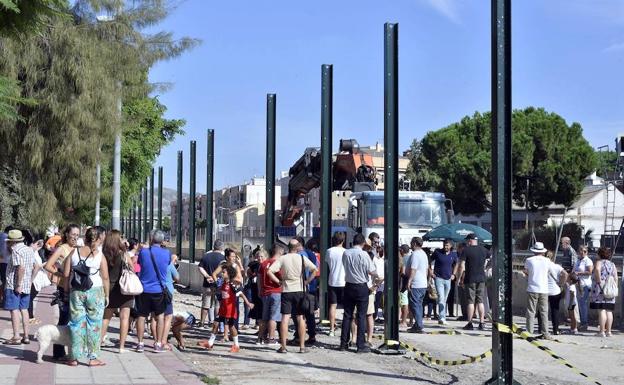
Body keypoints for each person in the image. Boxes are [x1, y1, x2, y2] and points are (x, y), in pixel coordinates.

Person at [63, 226, 109, 366]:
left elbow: (66, 274)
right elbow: (105, 277)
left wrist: (66, 291)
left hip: (76, 291)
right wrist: (107, 295)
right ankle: (93, 358)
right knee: (94, 324)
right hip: (95, 291)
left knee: (76, 323)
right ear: (99, 238)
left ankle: (73, 357)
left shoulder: (74, 252)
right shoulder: (100, 255)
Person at [267, 239, 318, 354]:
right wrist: (307, 282)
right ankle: (302, 346)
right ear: (298, 247)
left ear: (288, 247)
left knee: (285, 318)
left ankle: (283, 346)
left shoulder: (282, 258)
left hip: (286, 290)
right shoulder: (301, 258)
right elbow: (315, 270)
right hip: (299, 290)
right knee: (300, 318)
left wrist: (279, 282)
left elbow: (269, 271)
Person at [44, 224, 80, 361]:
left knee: (73, 319)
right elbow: (48, 265)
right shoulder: (62, 248)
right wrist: (59, 274)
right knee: (64, 319)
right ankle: (58, 352)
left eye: (77, 234)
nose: (75, 237)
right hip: (63, 289)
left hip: (76, 289)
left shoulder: (77, 249)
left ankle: (71, 349)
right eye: (73, 234)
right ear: (67, 235)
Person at [339, 234, 378, 353]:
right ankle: (360, 345)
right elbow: (371, 271)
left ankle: (343, 344)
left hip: (349, 285)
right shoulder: (364, 254)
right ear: (362, 243)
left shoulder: (346, 253)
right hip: (361, 287)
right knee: (361, 316)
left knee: (347, 315)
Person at [135, 230, 171, 353]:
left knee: (141, 316)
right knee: (160, 316)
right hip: (158, 290)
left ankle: (140, 343)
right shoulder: (167, 253)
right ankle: (158, 343)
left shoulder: (144, 252)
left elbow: (140, 264)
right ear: (162, 241)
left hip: (144, 289)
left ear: (151, 239)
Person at [101, 230, 134, 353]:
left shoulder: (104, 254)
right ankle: (121, 347)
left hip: (109, 288)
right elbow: (132, 268)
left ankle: (98, 342)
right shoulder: (123, 254)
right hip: (124, 288)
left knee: (106, 317)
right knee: (124, 318)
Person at [199, 265, 243, 352]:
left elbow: (240, 291)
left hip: (229, 310)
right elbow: (219, 292)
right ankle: (210, 343)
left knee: (231, 327)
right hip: (223, 309)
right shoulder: (223, 283)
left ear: (229, 274)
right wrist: (213, 287)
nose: (222, 274)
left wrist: (248, 303)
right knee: (215, 323)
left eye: (224, 272)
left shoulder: (232, 284)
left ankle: (236, 345)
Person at [2, 229, 36, 345]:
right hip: (26, 285)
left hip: (14, 285)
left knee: (14, 310)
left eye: (8, 242)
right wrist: (30, 280)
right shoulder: (29, 250)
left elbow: (20, 267)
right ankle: (26, 336)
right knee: (24, 310)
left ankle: (16, 336)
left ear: (12, 242)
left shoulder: (15, 250)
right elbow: (36, 266)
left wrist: (18, 284)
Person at [456, 233, 489, 330]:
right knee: (480, 301)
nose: (467, 242)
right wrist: (486, 268)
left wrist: (458, 278)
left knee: (470, 301)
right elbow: (491, 259)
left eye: (467, 240)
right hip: (481, 278)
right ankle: (481, 322)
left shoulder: (466, 250)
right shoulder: (484, 250)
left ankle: (470, 323)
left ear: (470, 240)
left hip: (470, 279)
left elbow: (461, 265)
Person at [523, 241, 552, 339]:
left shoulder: (529, 260)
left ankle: (529, 331)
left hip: (532, 288)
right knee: (544, 311)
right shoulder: (547, 261)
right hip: (544, 288)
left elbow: (526, 272)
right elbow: (549, 272)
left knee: (531, 311)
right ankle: (545, 332)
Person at [590, 247, 618, 337]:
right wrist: (614, 287)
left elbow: (597, 269)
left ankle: (602, 331)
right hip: (610, 288)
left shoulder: (599, 262)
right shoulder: (612, 264)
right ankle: (609, 331)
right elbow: (616, 277)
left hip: (600, 288)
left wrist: (598, 281)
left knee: (601, 309)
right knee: (609, 310)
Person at [259, 244, 283, 345]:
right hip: (276, 291)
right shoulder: (278, 264)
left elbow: (259, 280)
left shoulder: (264, 264)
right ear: (280, 252)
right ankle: (271, 338)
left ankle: (260, 338)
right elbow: (282, 277)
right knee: (274, 317)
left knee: (264, 317)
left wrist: (260, 291)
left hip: (265, 292)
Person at [198, 240, 226, 328]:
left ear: (213, 246)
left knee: (205, 304)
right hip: (219, 284)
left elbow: (200, 267)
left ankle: (202, 323)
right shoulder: (223, 258)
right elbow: (224, 272)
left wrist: (207, 276)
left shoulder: (206, 256)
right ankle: (215, 323)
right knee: (217, 305)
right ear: (221, 248)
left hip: (207, 283)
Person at [431, 239, 458, 325]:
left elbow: (457, 264)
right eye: (444, 245)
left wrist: (454, 274)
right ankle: (442, 317)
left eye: (447, 245)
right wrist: (431, 272)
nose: (445, 247)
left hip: (448, 279)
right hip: (438, 278)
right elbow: (429, 261)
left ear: (451, 246)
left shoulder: (453, 254)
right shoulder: (437, 252)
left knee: (444, 299)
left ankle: (441, 317)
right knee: (441, 298)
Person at [326, 232, 346, 336]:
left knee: (332, 305)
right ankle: (345, 327)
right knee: (346, 307)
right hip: (343, 281)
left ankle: (331, 329)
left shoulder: (329, 251)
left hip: (332, 281)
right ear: (343, 240)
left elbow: (328, 264)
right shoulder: (346, 252)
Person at [407, 237, 428, 334]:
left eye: (411, 243)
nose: (410, 245)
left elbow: (413, 269)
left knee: (414, 305)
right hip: (423, 283)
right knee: (419, 305)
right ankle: (417, 324)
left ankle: (419, 325)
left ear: (415, 243)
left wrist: (409, 281)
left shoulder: (415, 254)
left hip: (416, 283)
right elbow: (427, 269)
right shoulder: (424, 254)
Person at [545, 251, 567, 335]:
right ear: (553, 257)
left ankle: (542, 328)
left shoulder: (543, 266)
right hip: (555, 291)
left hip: (544, 290)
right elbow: (565, 274)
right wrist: (561, 283)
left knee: (543, 310)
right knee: (555, 310)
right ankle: (556, 329)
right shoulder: (556, 266)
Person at [573, 245, 592, 331]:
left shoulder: (588, 261)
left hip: (585, 285)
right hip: (578, 283)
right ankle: (580, 322)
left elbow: (589, 272)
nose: (583, 252)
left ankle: (584, 322)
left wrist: (579, 273)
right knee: (579, 304)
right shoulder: (578, 260)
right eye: (581, 251)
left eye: (585, 251)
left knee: (583, 304)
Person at [398, 244, 412, 328]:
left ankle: (403, 321)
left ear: (402, 251)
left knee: (404, 302)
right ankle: (408, 320)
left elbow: (402, 272)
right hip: (409, 283)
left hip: (403, 283)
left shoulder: (403, 259)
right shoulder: (410, 258)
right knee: (406, 302)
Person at [373, 245, 385, 322]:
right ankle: (375, 315)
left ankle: (375, 315)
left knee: (378, 301)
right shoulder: (375, 259)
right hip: (377, 281)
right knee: (376, 301)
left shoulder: (382, 260)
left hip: (381, 281)